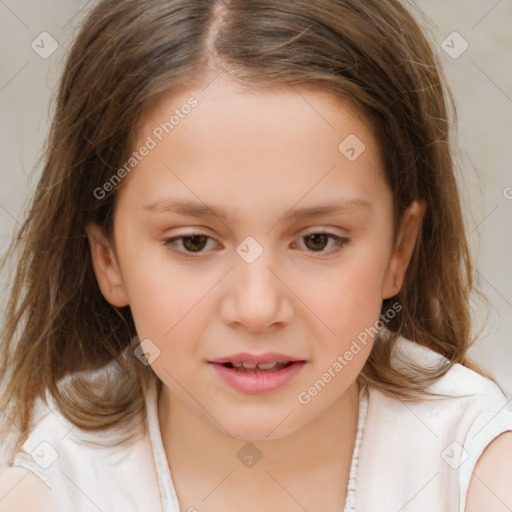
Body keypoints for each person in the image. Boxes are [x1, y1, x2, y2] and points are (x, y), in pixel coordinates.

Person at [0, 0, 511, 510]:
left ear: (399, 249)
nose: (257, 308)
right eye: (193, 242)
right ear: (108, 259)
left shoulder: (477, 471)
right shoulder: (50, 486)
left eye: (318, 240)